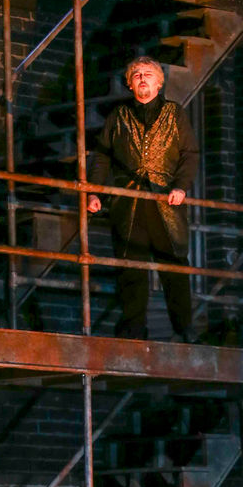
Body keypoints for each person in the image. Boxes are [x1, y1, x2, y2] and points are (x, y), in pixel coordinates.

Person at [88, 57, 199, 341]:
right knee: (130, 268)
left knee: (174, 267)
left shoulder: (174, 114)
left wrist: (181, 186)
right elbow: (102, 155)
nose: (142, 78)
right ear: (129, 83)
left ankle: (184, 328)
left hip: (165, 202)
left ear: (159, 82)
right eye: (136, 74)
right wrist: (95, 191)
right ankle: (134, 330)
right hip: (129, 203)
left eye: (148, 74)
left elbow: (189, 154)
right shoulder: (119, 115)